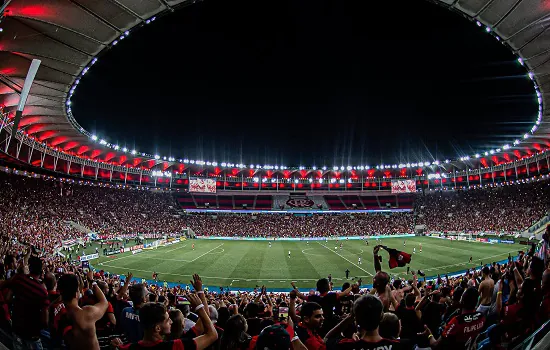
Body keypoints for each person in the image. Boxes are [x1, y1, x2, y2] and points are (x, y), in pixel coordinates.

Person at [113, 295, 218, 350]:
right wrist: (200, 307)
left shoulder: (128, 347)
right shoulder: (176, 346)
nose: (171, 321)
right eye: (168, 320)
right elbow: (212, 335)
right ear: (157, 328)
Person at [325, 295, 402, 349]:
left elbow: (326, 339)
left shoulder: (346, 345)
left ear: (356, 321)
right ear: (382, 317)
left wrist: (349, 317)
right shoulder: (399, 346)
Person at [57, 273, 109, 350]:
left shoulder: (58, 311)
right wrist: (93, 282)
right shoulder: (86, 314)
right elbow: (104, 303)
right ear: (75, 294)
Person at [8, 255, 49, 350]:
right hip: (32, 335)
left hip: (17, 329)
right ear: (41, 271)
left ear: (30, 268)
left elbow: (8, 298)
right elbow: (45, 322)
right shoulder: (42, 291)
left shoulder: (19, 279)